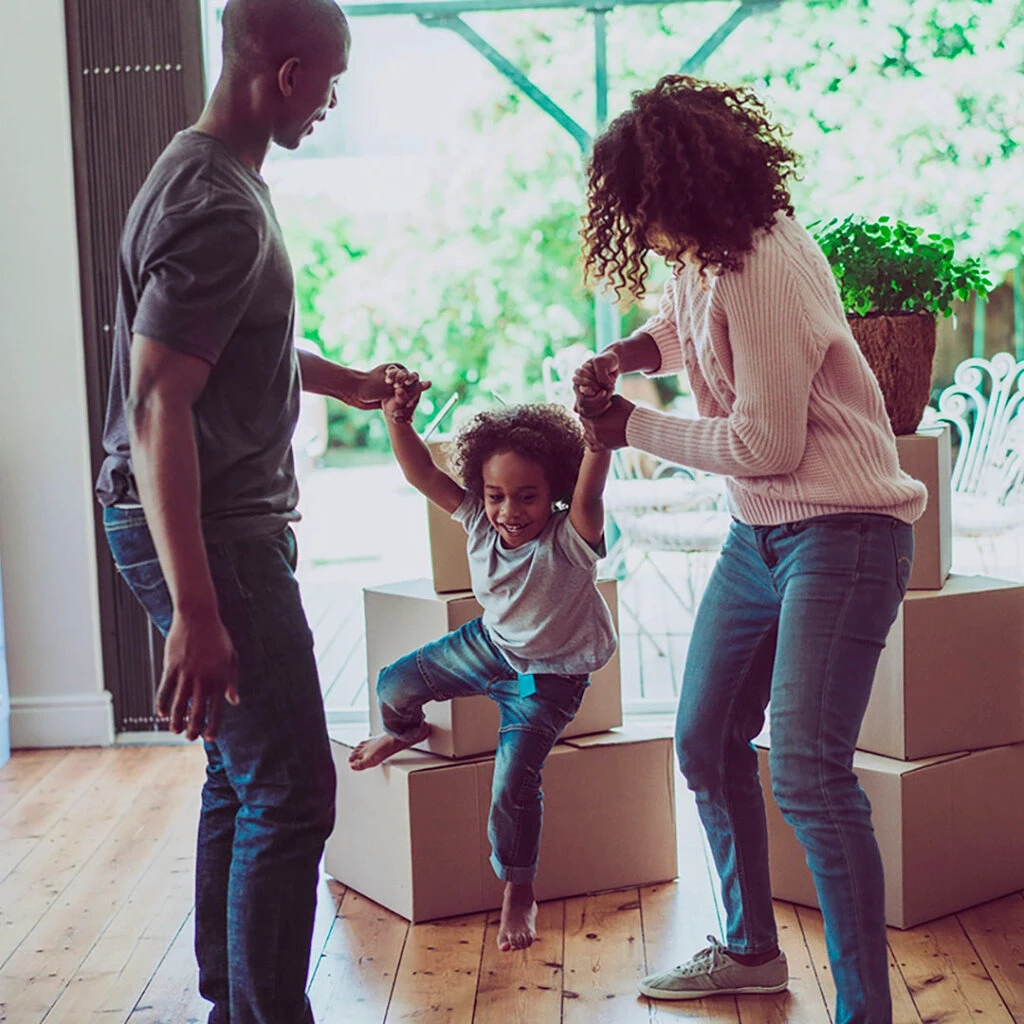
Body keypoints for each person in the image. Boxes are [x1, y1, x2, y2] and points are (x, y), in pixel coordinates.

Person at [572, 75, 926, 1024]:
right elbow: (685, 328)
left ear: (681, 189)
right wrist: (627, 360)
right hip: (759, 535)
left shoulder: (765, 259)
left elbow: (767, 446)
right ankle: (750, 953)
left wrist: (630, 430)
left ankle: (866, 1014)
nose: (637, 224)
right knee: (704, 737)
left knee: (810, 769)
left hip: (843, 533)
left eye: (642, 205)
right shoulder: (706, 253)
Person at [95, 2, 411, 1021]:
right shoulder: (220, 203)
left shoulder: (206, 174)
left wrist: (348, 382)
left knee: (242, 779)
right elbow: (157, 402)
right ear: (285, 74)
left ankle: (234, 1002)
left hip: (217, 528)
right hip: (213, 539)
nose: (331, 102)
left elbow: (224, 343)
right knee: (292, 789)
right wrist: (196, 607)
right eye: (330, 81)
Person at [349, 369, 617, 953]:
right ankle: (408, 730)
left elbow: (592, 493)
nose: (509, 511)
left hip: (548, 679)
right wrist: (398, 420)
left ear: (554, 495)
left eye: (527, 497)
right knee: (393, 684)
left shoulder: (570, 538)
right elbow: (420, 471)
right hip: (488, 647)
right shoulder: (475, 518)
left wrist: (597, 437)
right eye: (496, 495)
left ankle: (518, 889)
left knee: (512, 785)